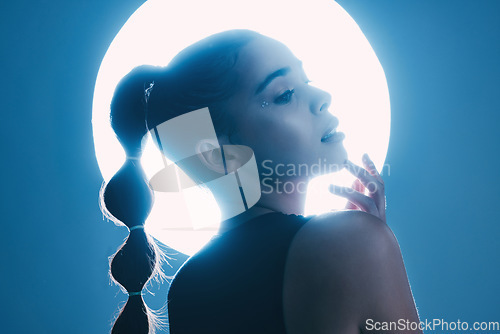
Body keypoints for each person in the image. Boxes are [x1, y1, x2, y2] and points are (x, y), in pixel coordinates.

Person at [101, 29, 422, 334]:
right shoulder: (352, 242)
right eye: (284, 94)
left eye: (306, 79)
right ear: (215, 154)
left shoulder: (187, 287)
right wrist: (369, 250)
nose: (322, 96)